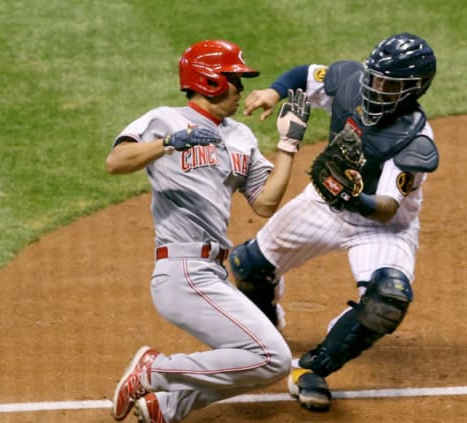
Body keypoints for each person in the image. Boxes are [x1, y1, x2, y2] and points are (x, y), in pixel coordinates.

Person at [229, 32, 438, 411]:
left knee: (387, 300)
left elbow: (388, 207)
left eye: (388, 85)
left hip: (381, 227)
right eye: (373, 77)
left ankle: (312, 369)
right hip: (324, 204)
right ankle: (267, 324)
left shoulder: (414, 139)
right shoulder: (347, 80)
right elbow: (305, 75)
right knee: (247, 265)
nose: (375, 88)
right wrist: (274, 93)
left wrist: (352, 197)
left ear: (414, 89)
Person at [106, 39, 311, 423]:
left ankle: (165, 408)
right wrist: (166, 144)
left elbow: (265, 203)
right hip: (181, 271)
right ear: (212, 81)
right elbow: (116, 161)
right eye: (236, 78)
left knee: (251, 359)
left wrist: (288, 144)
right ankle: (153, 371)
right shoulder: (163, 119)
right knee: (273, 357)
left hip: (213, 273)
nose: (242, 88)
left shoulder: (241, 137)